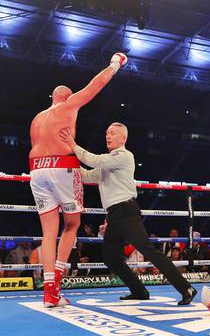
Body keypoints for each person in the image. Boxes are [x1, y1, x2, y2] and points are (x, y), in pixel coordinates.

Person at [59, 122, 196, 305]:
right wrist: (67, 161)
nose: (108, 136)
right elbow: (86, 175)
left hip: (126, 212)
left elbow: (94, 160)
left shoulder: (123, 156)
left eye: (112, 133)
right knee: (111, 258)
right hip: (114, 215)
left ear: (123, 138)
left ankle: (186, 288)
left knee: (148, 250)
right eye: (106, 133)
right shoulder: (107, 164)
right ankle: (139, 290)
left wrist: (73, 145)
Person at [29, 53, 128, 307]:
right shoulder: (68, 105)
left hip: (36, 170)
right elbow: (95, 85)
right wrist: (115, 64)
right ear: (66, 96)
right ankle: (56, 283)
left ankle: (48, 292)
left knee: (48, 232)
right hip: (63, 167)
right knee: (72, 225)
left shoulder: (37, 119)